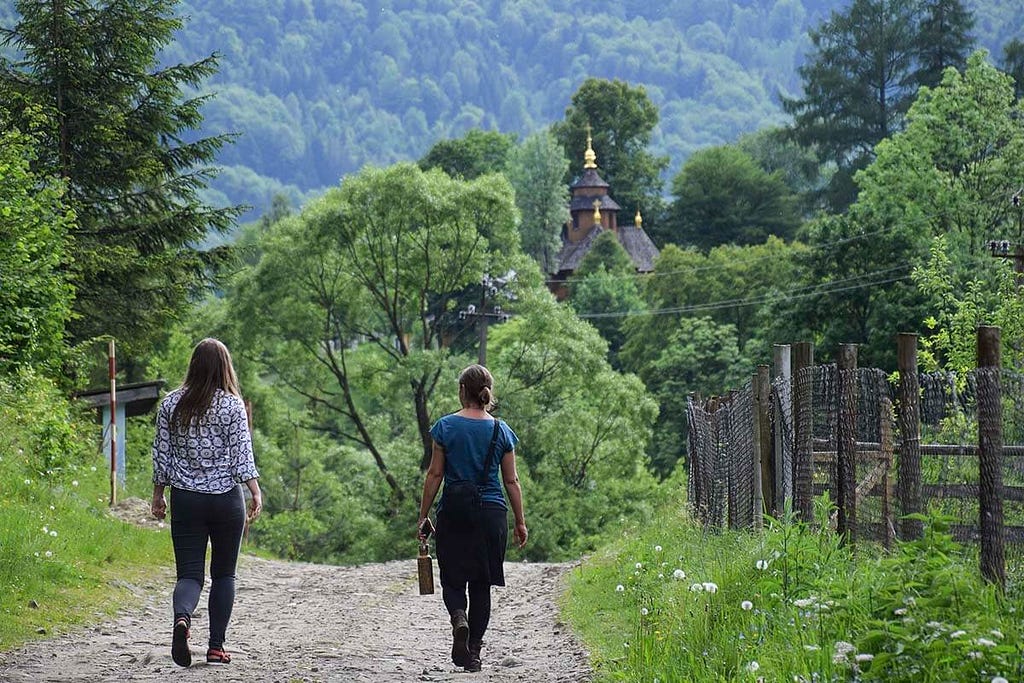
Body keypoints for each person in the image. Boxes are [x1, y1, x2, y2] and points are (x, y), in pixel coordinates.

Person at [150, 338, 262, 667]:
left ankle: (182, 620)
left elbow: (162, 456)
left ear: (194, 365)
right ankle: (216, 647)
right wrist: (255, 491)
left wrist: (158, 495)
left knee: (189, 575)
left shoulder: (171, 404)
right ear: (224, 367)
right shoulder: (232, 405)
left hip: (186, 500)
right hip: (226, 500)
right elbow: (243, 455)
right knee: (225, 574)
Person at [418, 364, 528, 672]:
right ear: (487, 394)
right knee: (481, 584)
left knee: (453, 578)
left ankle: (458, 617)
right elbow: (511, 481)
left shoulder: (445, 427)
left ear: (462, 392)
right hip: (492, 514)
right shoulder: (501, 430)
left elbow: (435, 473)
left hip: (455, 510)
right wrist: (520, 521)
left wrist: (423, 514)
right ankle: (475, 654)